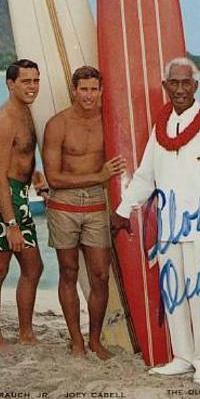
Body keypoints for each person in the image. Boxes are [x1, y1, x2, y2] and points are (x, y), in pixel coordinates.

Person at [110, 57, 200, 386]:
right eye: (174, 83)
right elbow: (145, 175)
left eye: (187, 83)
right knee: (176, 293)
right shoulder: (161, 125)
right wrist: (124, 209)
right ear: (165, 86)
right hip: (169, 226)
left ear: (196, 86)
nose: (180, 89)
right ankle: (183, 356)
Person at [42, 66, 126, 360]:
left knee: (100, 276)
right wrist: (99, 176)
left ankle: (95, 339)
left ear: (101, 91)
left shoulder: (110, 123)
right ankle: (76, 339)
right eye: (83, 89)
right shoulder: (58, 124)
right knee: (68, 271)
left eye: (94, 89)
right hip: (63, 204)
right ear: (73, 91)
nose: (89, 95)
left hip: (95, 203)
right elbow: (53, 178)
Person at [0, 59, 43, 353]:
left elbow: (24, 158)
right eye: (26, 81)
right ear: (10, 84)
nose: (32, 87)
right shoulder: (3, 120)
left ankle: (26, 333)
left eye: (35, 81)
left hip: (20, 196)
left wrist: (37, 178)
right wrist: (11, 224)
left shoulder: (26, 112)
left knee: (34, 267)